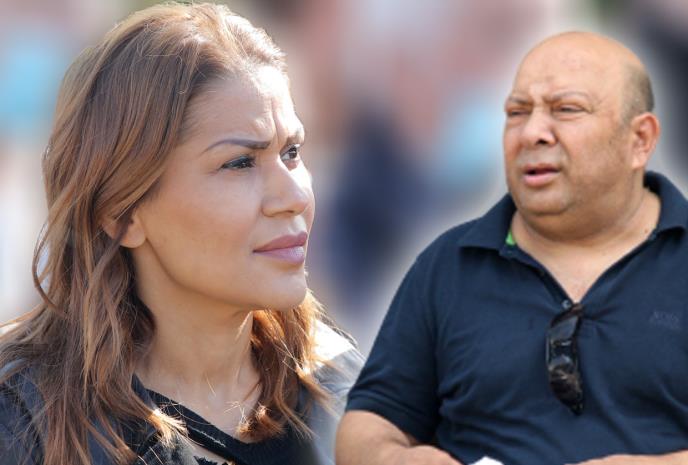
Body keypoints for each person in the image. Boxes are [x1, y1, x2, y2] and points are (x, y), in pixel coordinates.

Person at [0, 3, 362, 465]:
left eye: (292, 152)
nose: (294, 196)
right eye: (239, 163)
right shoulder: (23, 420)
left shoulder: (344, 388)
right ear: (121, 213)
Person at [336, 31, 688, 465]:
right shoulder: (450, 264)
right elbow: (369, 422)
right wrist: (399, 459)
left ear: (640, 140)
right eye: (517, 113)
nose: (532, 133)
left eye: (566, 109)